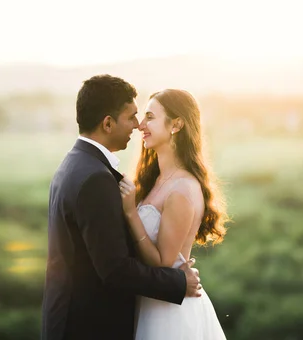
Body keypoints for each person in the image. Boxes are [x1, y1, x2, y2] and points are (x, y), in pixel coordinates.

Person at [41, 75, 203, 340]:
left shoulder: (74, 163)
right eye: (133, 117)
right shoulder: (95, 177)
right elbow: (115, 269)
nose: (137, 125)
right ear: (108, 123)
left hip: (74, 322)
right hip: (88, 328)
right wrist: (179, 282)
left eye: (147, 117)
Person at [119, 89, 229, 339]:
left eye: (150, 117)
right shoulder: (157, 181)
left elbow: (163, 264)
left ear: (176, 124)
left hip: (168, 314)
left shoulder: (181, 189)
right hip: (149, 304)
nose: (141, 125)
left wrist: (130, 212)